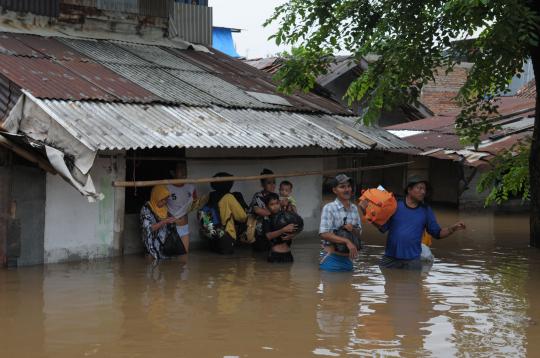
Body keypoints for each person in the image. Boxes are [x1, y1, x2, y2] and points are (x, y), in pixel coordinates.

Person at [359, 175, 466, 270]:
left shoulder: (426, 210)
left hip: (412, 262)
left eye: (424, 189)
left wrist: (452, 228)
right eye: (419, 188)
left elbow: (437, 233)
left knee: (413, 291)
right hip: (390, 259)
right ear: (409, 189)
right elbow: (383, 227)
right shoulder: (395, 206)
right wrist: (365, 212)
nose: (423, 192)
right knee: (389, 291)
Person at [319, 174, 362, 272]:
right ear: (335, 190)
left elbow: (359, 233)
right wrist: (347, 241)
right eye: (342, 187)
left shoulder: (354, 208)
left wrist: (353, 229)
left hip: (349, 261)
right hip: (331, 260)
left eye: (348, 186)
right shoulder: (329, 208)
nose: (347, 189)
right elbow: (324, 234)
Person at [200, 172, 248, 254]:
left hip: (211, 237)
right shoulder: (229, 197)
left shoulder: (209, 195)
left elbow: (195, 205)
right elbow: (242, 217)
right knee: (228, 263)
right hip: (226, 237)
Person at [140, 185, 186, 260]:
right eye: (162, 200)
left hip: (164, 246)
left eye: (166, 199)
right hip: (151, 245)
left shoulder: (164, 208)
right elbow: (149, 229)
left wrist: (175, 220)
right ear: (156, 198)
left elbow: (168, 223)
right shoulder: (146, 209)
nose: (164, 202)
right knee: (151, 265)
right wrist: (165, 221)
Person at [167, 162, 197, 253]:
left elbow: (195, 203)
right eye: (180, 168)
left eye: (185, 168)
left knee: (184, 255)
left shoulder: (191, 187)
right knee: (169, 258)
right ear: (173, 173)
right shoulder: (166, 187)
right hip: (170, 227)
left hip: (184, 226)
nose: (184, 171)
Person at [262, 193, 298, 263]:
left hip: (288, 254)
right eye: (272, 204)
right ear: (266, 207)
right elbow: (268, 236)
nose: (275, 206)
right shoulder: (267, 219)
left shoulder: (285, 215)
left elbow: (296, 228)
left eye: (277, 203)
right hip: (275, 255)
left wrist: (292, 235)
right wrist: (283, 230)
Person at [249, 168, 276, 252]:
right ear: (262, 184)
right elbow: (258, 211)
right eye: (269, 183)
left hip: (272, 231)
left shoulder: (275, 196)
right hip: (260, 233)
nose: (273, 185)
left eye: (274, 182)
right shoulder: (258, 196)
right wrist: (273, 212)